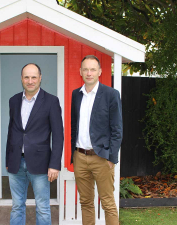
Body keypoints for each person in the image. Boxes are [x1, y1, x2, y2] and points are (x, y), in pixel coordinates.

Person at [6, 63, 64, 225]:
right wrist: (8, 160)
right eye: (26, 77)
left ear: (40, 78)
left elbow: (58, 136)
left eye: (33, 77)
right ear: (21, 79)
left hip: (41, 164)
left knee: (42, 207)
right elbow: (12, 132)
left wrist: (54, 165)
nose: (30, 81)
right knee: (17, 206)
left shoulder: (51, 101)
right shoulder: (14, 100)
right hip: (16, 162)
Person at [71, 55, 123, 225]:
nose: (89, 73)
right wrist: (73, 155)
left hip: (102, 157)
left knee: (108, 203)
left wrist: (112, 157)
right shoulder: (76, 95)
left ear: (100, 71)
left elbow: (117, 129)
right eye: (85, 69)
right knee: (86, 203)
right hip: (80, 157)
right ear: (80, 72)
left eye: (93, 69)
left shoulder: (111, 94)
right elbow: (74, 126)